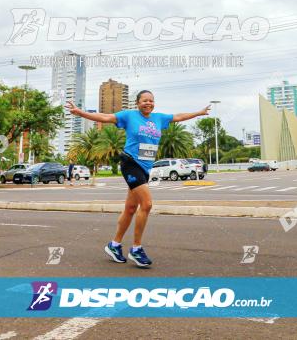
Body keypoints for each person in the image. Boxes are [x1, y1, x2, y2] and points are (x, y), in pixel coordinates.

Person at [65, 91, 209, 267]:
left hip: (146, 168)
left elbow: (178, 116)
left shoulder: (159, 119)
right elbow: (104, 116)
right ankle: (136, 249)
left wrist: (199, 112)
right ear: (137, 103)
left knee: (131, 208)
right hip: (130, 163)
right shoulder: (129, 116)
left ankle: (114, 245)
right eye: (144, 100)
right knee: (147, 204)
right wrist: (81, 113)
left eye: (151, 100)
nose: (148, 103)